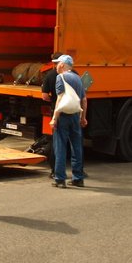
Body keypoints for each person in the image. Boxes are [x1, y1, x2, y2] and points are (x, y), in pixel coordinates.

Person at [50, 54, 87, 187]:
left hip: (64, 116)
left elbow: (60, 99)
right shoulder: (78, 78)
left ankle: (60, 179)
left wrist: (54, 118)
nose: (56, 66)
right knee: (76, 147)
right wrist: (83, 117)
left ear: (62, 64)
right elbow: (83, 99)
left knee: (60, 147)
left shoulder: (61, 77)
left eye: (57, 63)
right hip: (75, 115)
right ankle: (78, 178)